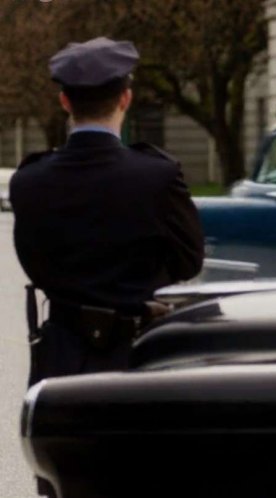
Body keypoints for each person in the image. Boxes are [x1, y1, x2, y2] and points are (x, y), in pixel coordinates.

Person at [10, 37, 204, 388]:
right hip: (141, 355)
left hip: (63, 358)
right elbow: (189, 261)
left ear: (65, 102)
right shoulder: (158, 176)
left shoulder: (29, 181)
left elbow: (34, 263)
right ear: (125, 99)